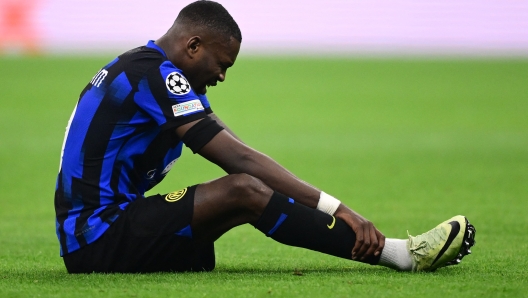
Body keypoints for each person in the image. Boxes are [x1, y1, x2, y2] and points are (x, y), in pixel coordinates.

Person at [54, 0, 476, 274]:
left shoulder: (146, 70)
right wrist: (339, 207)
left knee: (242, 199)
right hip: (98, 237)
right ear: (194, 45)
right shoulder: (154, 75)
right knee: (243, 191)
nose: (221, 76)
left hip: (103, 229)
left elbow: (233, 145)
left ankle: (392, 250)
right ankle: (399, 255)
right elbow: (238, 161)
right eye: (222, 64)